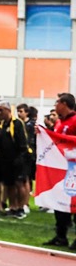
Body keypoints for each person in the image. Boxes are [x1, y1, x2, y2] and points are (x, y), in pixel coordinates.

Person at [45, 92, 76, 248]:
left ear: (64, 103)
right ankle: (61, 235)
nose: (55, 106)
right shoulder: (58, 123)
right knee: (60, 202)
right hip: (60, 169)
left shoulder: (74, 121)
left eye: (57, 102)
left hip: (73, 169)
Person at [0, 100, 28, 218]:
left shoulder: (17, 123)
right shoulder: (3, 124)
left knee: (19, 183)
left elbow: (23, 142)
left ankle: (21, 208)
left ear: (8, 110)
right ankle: (13, 206)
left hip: (17, 159)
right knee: (9, 185)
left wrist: (20, 157)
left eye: (1, 110)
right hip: (5, 160)